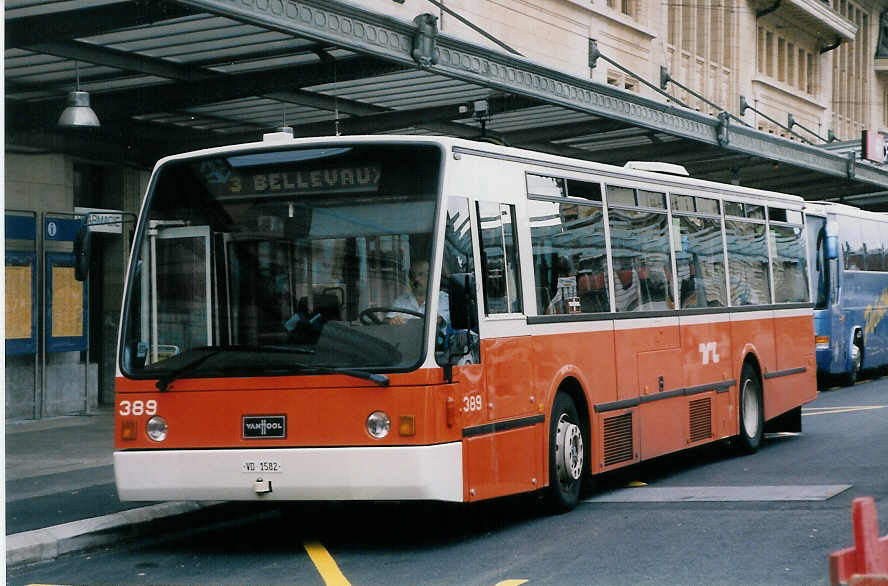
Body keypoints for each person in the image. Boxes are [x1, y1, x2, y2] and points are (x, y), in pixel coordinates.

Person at [385, 260, 450, 325]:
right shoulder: (402, 299)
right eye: (412, 276)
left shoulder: (444, 298)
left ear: (431, 277)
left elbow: (437, 321)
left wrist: (406, 322)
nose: (416, 279)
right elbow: (386, 321)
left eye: (421, 274)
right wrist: (391, 321)